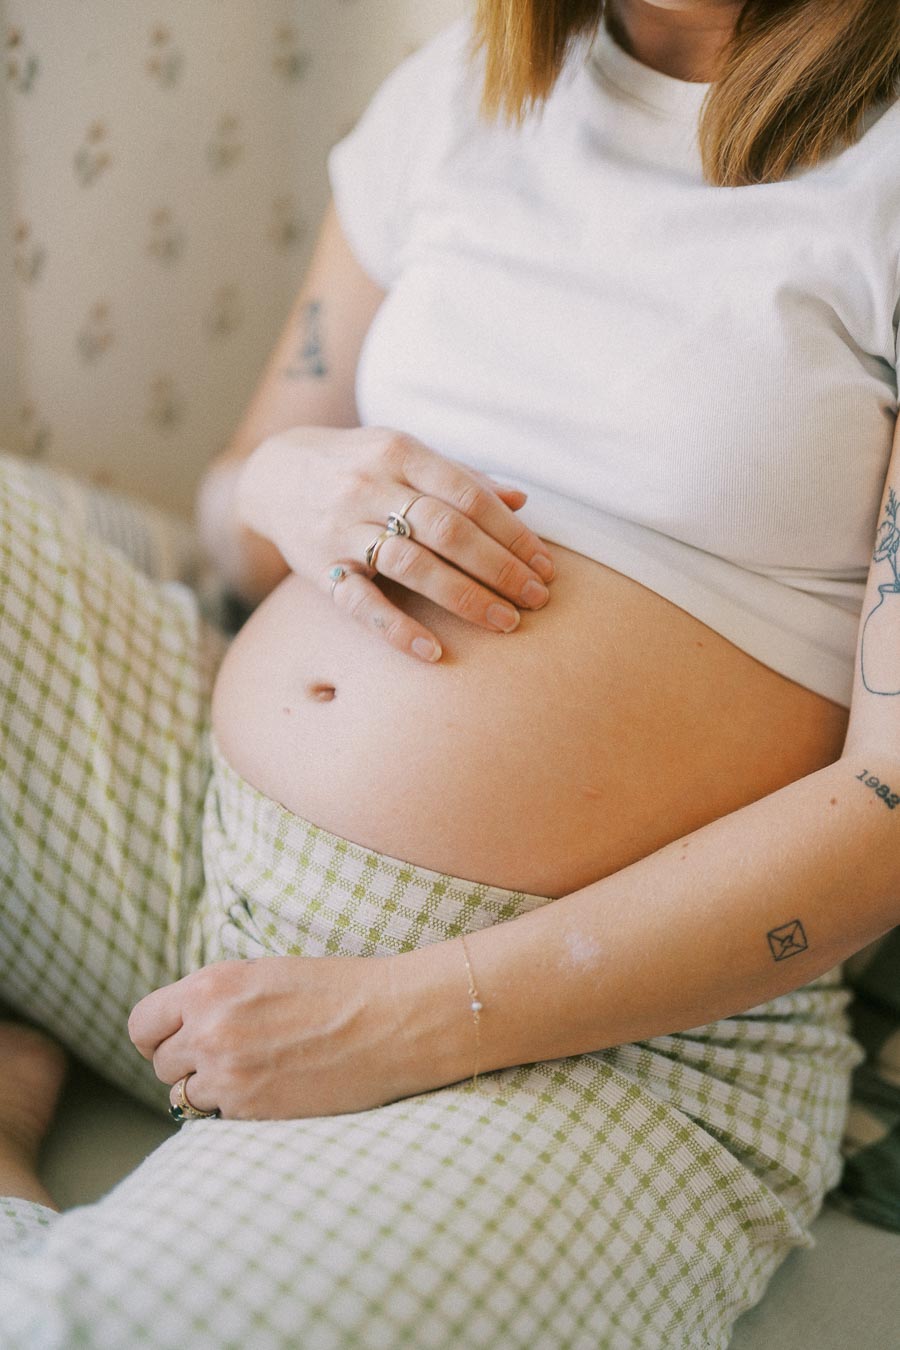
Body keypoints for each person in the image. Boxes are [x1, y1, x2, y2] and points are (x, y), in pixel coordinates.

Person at [1, 0, 898, 1344]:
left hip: (611, 1047)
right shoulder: (463, 96)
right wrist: (299, 483)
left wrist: (408, 1019)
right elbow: (229, 518)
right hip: (197, 839)